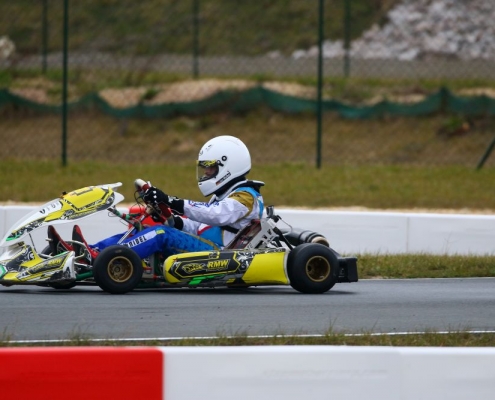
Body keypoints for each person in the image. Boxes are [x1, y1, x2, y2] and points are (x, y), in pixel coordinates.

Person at [87, 135, 265, 260]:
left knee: (161, 234)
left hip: (220, 253)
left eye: (210, 167)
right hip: (208, 246)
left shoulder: (246, 196)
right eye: (205, 168)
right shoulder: (226, 195)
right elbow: (201, 226)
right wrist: (174, 220)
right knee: (143, 229)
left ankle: (111, 258)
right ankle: (93, 251)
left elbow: (215, 215)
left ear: (228, 166)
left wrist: (171, 201)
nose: (206, 172)